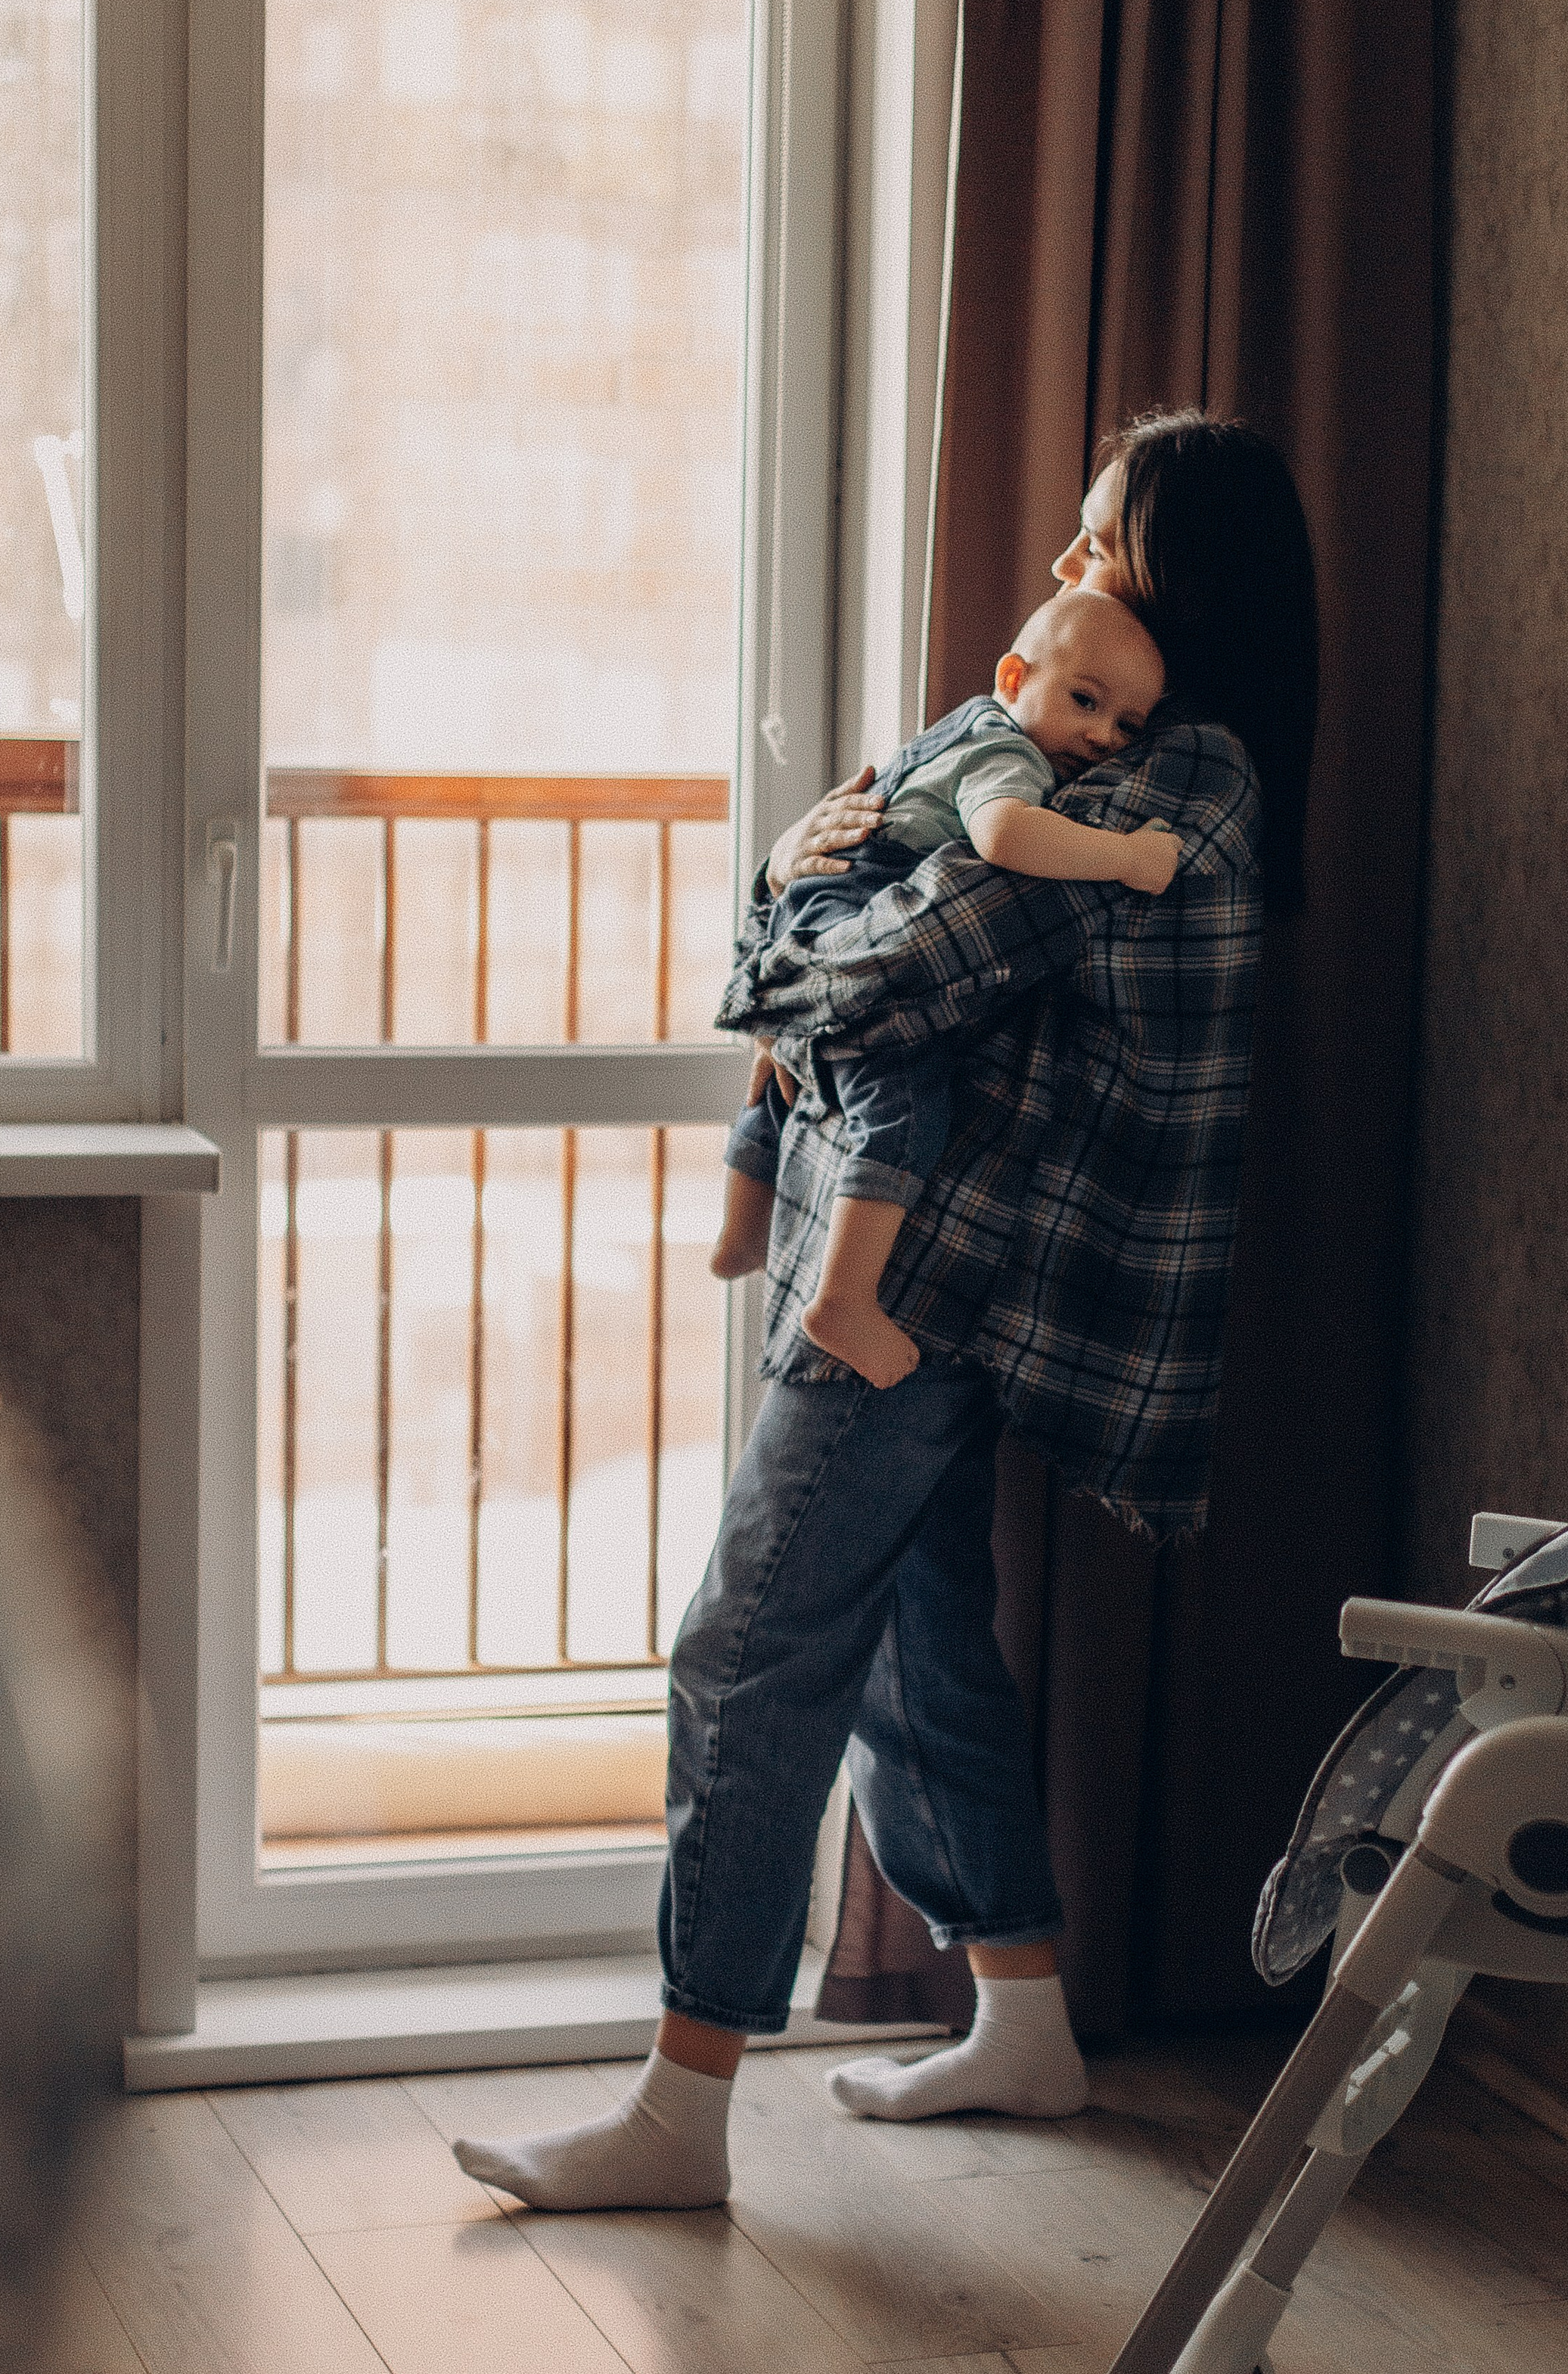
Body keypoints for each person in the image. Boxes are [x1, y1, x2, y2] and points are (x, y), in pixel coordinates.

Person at [452, 410, 1318, 2215]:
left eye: (1109, 553)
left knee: (747, 1643)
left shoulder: (1162, 783)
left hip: (932, 1281)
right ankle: (1021, 2012)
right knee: (922, 1636)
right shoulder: (1126, 758)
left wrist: (778, 880)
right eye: (1076, 547)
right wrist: (812, 891)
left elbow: (900, 959)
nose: (1072, 574)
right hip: (957, 1265)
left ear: (1189, 592)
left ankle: (679, 2108)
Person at [710, 588, 1178, 1388]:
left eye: (1127, 724)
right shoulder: (1012, 757)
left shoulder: (961, 725)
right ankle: (845, 1299)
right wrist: (1127, 856)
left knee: (791, 1074)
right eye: (1084, 700)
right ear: (1012, 677)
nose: (1101, 735)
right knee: (903, 1105)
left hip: (815, 905)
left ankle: (740, 1228)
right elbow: (1003, 835)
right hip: (858, 908)